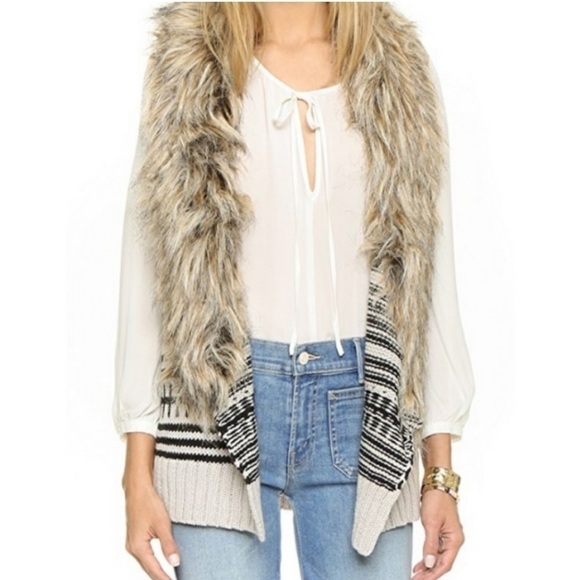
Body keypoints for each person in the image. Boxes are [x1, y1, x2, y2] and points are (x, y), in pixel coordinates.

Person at [113, 2, 476, 579]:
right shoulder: (190, 61)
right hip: (213, 404)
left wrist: (440, 473)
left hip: (364, 407)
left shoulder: (396, 64)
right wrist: (138, 472)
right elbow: (148, 269)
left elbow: (428, 273)